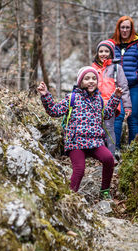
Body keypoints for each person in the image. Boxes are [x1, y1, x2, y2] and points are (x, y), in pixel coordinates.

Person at [37, 66, 123, 200]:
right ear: (80, 82)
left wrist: (115, 98)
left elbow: (105, 115)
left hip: (95, 142)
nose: (91, 81)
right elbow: (54, 111)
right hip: (75, 143)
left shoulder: (99, 100)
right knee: (79, 169)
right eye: (87, 78)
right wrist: (45, 95)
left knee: (109, 159)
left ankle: (105, 190)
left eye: (94, 78)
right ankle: (70, 197)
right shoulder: (72, 98)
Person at [109, 16, 138, 150]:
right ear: (118, 28)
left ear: (131, 28)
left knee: (132, 117)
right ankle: (114, 149)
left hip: (135, 87)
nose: (125, 30)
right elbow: (103, 61)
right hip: (116, 88)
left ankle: (133, 150)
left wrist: (137, 76)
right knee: (118, 115)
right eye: (122, 27)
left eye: (127, 27)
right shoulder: (112, 44)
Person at [92, 40, 131, 159]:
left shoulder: (116, 68)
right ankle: (98, 154)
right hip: (95, 104)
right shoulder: (93, 68)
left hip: (111, 104)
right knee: (96, 128)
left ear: (111, 53)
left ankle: (111, 155)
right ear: (97, 53)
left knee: (109, 128)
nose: (103, 54)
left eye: (106, 51)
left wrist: (127, 106)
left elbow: (124, 87)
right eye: (101, 51)